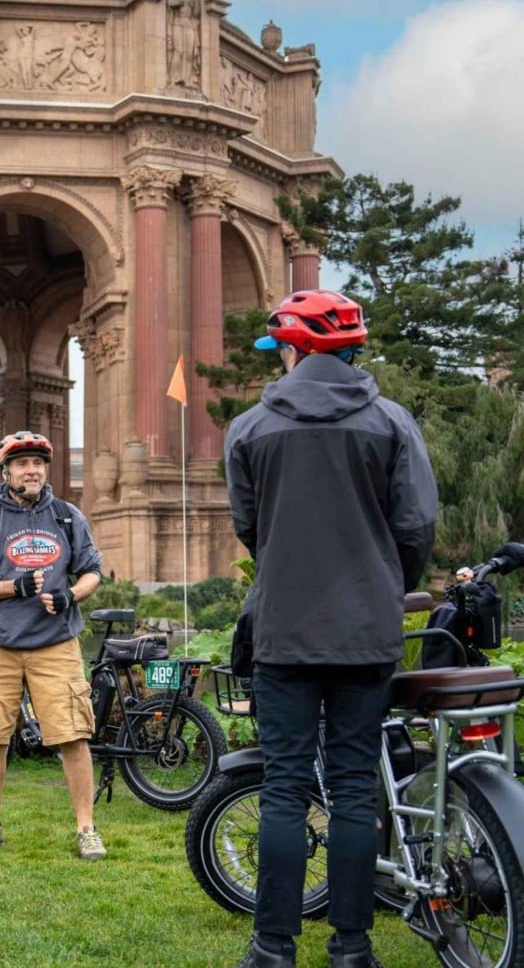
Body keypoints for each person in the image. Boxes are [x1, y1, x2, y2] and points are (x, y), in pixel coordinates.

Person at [224, 289, 437, 968]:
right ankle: (352, 948)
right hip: (367, 632)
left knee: (285, 786)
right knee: (351, 786)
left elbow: (251, 528)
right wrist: (383, 581)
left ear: (296, 348)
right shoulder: (393, 422)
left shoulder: (250, 429)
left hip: (284, 631)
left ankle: (272, 948)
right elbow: (415, 527)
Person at [0, 430, 106, 860]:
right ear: (6, 472)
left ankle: (87, 829)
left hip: (55, 643)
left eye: (37, 462)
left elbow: (92, 570)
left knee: (73, 735)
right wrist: (10, 588)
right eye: (21, 464)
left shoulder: (68, 517)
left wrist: (73, 594)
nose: (31, 470)